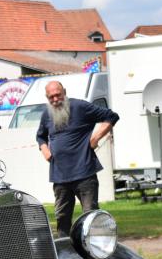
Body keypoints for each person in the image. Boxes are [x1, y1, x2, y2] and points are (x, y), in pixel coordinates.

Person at [36, 80, 119, 237]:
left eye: (57, 95)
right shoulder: (47, 113)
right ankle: (65, 251)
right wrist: (44, 149)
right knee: (62, 218)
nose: (55, 100)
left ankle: (94, 250)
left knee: (90, 217)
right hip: (60, 177)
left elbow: (111, 116)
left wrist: (96, 138)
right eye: (51, 97)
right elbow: (40, 136)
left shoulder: (80, 107)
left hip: (84, 174)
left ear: (64, 92)